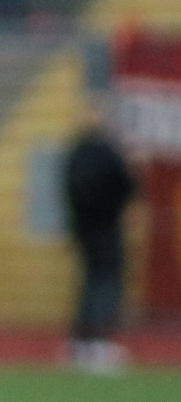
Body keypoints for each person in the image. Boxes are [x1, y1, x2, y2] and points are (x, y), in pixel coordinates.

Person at [65, 109, 136, 372]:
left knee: (90, 282)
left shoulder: (76, 154)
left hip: (84, 230)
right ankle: (99, 340)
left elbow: (70, 192)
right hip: (106, 229)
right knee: (104, 282)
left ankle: (82, 341)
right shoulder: (109, 155)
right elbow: (128, 186)